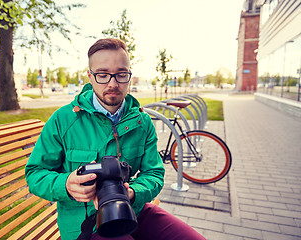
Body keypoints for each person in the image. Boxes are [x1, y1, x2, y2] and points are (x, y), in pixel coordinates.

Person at [25, 38, 205, 240]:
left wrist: (134, 192)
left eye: (121, 74)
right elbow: (34, 174)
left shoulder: (142, 122)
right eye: (102, 74)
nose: (113, 83)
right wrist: (66, 184)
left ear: (129, 75)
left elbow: (154, 173)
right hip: (84, 224)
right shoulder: (64, 120)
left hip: (133, 209)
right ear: (90, 76)